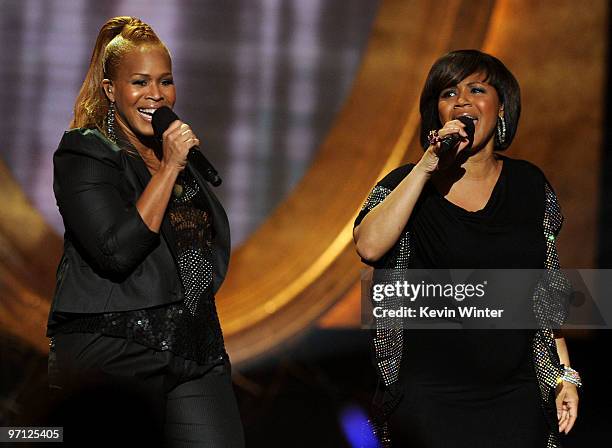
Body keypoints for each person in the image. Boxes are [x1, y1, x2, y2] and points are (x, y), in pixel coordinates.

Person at [353, 50, 581, 447]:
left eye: (476, 89)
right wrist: (426, 167)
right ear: (436, 113)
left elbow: (546, 291)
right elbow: (369, 246)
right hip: (431, 399)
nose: (460, 101)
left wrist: (565, 375)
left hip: (516, 394)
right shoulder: (409, 183)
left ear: (502, 106)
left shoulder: (530, 185)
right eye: (448, 93)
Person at [46, 16, 244, 447]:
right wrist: (170, 165)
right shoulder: (87, 153)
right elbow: (116, 251)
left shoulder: (179, 163)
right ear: (110, 89)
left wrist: (175, 164)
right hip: (116, 347)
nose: (156, 94)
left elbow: (205, 245)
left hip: (195, 349)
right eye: (140, 82)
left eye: (165, 81)